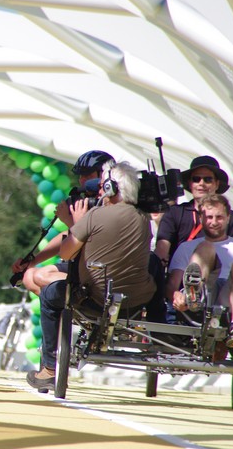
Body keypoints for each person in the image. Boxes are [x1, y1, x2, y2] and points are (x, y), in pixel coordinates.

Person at [26, 161, 156, 390]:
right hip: (136, 304)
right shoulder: (144, 219)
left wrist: (77, 223)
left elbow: (66, 253)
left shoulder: (95, 215)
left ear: (109, 187)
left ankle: (48, 369)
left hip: (96, 301)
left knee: (49, 295)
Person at [166, 194, 233, 348]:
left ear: (228, 218)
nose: (214, 222)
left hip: (230, 300)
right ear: (201, 219)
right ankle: (193, 294)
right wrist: (176, 296)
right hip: (202, 299)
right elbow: (171, 285)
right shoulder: (186, 247)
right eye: (209, 217)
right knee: (205, 248)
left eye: (219, 217)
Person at [10, 150, 113, 295]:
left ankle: (81, 300)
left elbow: (90, 242)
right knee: (28, 277)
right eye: (81, 176)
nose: (82, 181)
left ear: (105, 176)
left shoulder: (111, 205)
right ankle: (69, 306)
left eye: (88, 176)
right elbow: (69, 234)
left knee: (41, 276)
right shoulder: (87, 202)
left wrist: (69, 220)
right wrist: (32, 261)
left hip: (98, 269)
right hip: (79, 265)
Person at [155, 155, 233, 267]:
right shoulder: (174, 213)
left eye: (208, 179)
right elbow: (162, 249)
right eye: (196, 179)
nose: (201, 183)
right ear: (190, 183)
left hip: (221, 274)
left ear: (217, 184)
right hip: (181, 273)